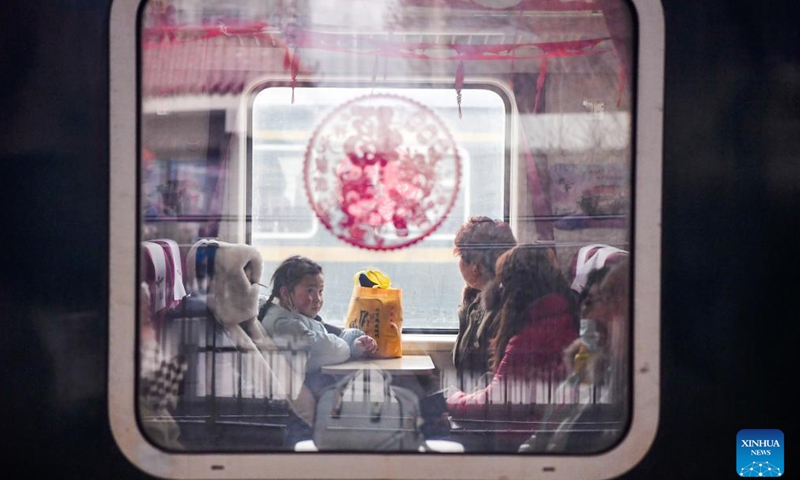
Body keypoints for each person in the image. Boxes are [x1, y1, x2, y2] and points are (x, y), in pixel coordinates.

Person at [445, 245, 578, 451]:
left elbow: (496, 404)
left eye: (502, 283)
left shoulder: (530, 338)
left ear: (512, 289)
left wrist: (453, 399)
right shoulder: (564, 317)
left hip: (521, 439)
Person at [258, 255, 378, 445]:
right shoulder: (284, 324)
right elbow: (328, 349)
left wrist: (356, 342)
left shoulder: (296, 317)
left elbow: (328, 338)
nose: (317, 299)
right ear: (286, 293)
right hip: (309, 391)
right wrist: (351, 345)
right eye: (310, 291)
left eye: (320, 291)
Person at [518, 256, 631, 454]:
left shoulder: (622, 385)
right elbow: (545, 435)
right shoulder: (585, 370)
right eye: (588, 303)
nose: (592, 315)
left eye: (606, 301)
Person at [451, 216, 517, 391]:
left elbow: (489, 385)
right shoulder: (476, 303)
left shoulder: (500, 312)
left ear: (475, 267)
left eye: (461, 257)